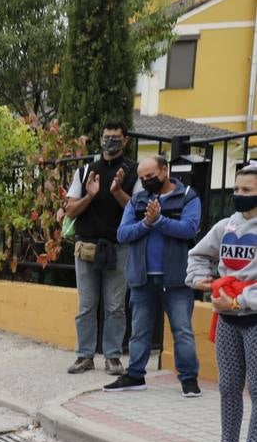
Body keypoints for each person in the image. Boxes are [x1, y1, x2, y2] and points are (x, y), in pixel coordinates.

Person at [105, 155, 202, 396]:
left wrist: (159, 220)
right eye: (142, 178)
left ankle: (189, 380)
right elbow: (122, 234)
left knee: (182, 330)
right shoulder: (137, 201)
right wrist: (146, 224)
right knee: (139, 331)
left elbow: (189, 229)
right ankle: (135, 375)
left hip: (177, 278)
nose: (146, 181)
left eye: (151, 176)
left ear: (165, 171)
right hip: (142, 278)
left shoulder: (188, 196)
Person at [184, 164, 257, 442]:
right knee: (228, 386)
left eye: (247, 190)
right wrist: (200, 279)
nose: (238, 195)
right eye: (236, 189)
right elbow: (198, 254)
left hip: (253, 317)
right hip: (227, 318)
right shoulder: (226, 226)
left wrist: (241, 300)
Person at [64, 122, 137, 375]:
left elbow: (137, 210)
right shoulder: (85, 172)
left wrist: (117, 191)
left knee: (115, 306)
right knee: (86, 305)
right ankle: (84, 355)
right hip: (86, 247)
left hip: (119, 247)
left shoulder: (133, 172)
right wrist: (90, 195)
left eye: (116, 138)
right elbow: (70, 209)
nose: (110, 142)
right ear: (100, 138)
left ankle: (113, 356)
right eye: (106, 137)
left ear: (125, 140)